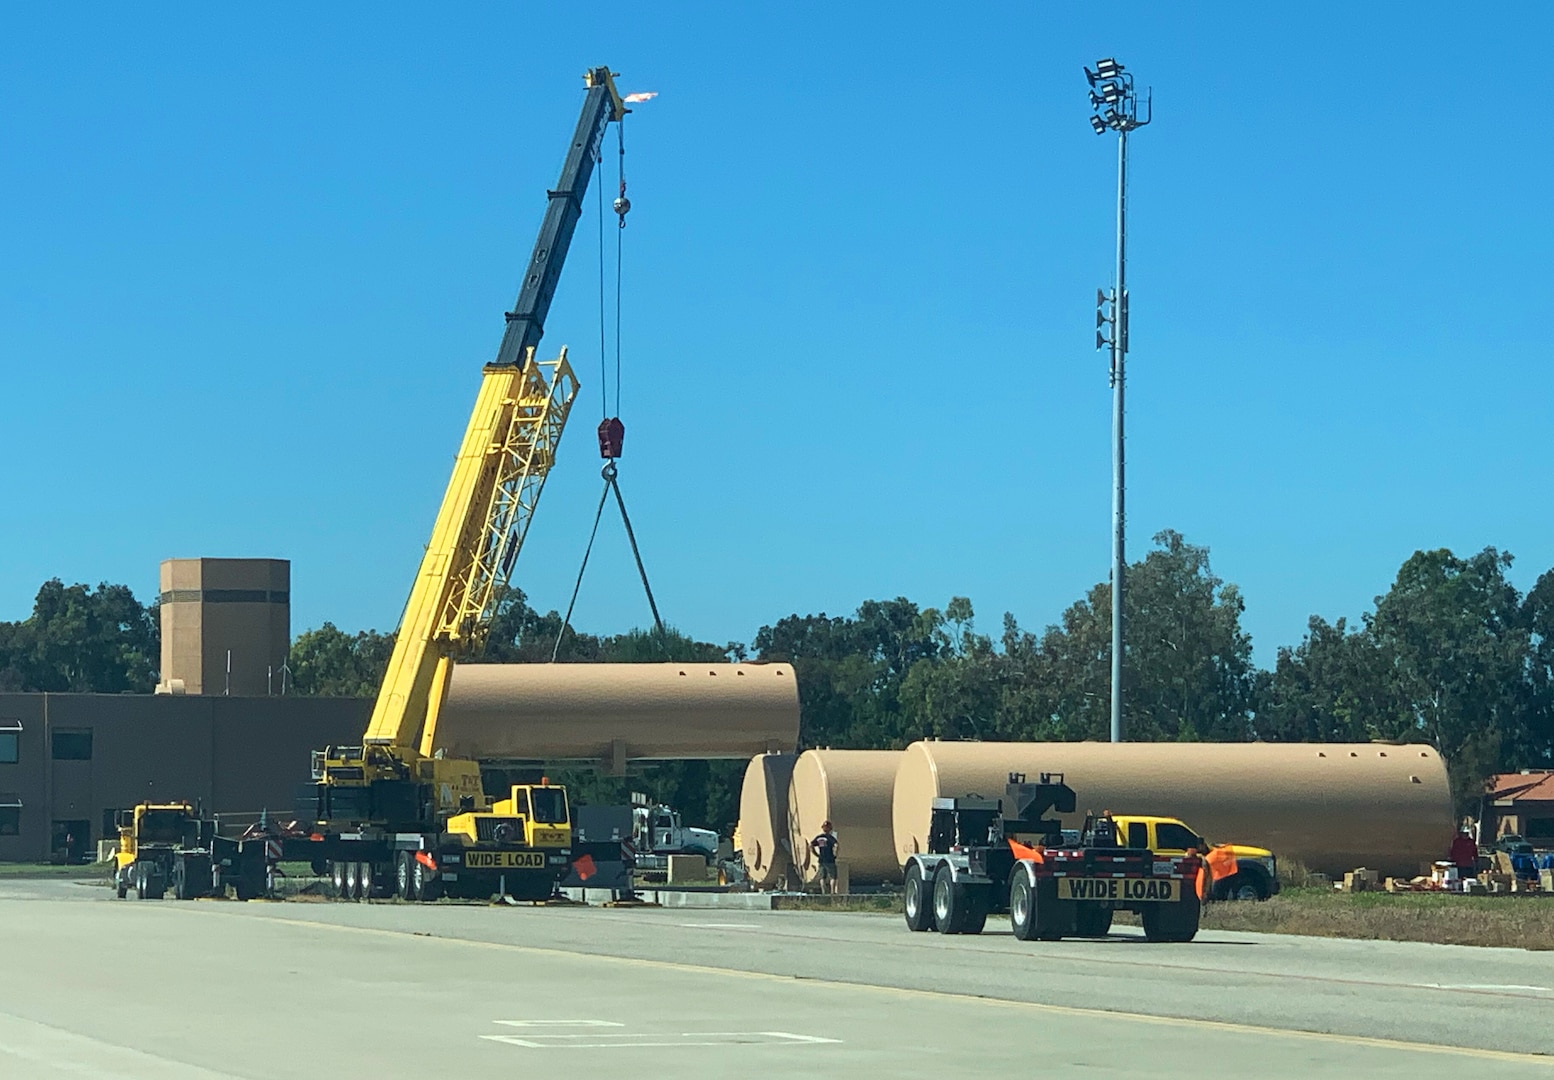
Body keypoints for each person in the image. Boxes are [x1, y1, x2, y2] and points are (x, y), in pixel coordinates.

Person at [811, 820, 840, 895]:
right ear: (830, 829)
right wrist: (835, 854)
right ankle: (832, 892)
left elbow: (810, 845)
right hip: (830, 859)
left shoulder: (819, 838)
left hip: (821, 859)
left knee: (822, 877)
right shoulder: (830, 838)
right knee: (833, 876)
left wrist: (816, 854)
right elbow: (836, 845)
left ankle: (823, 892)